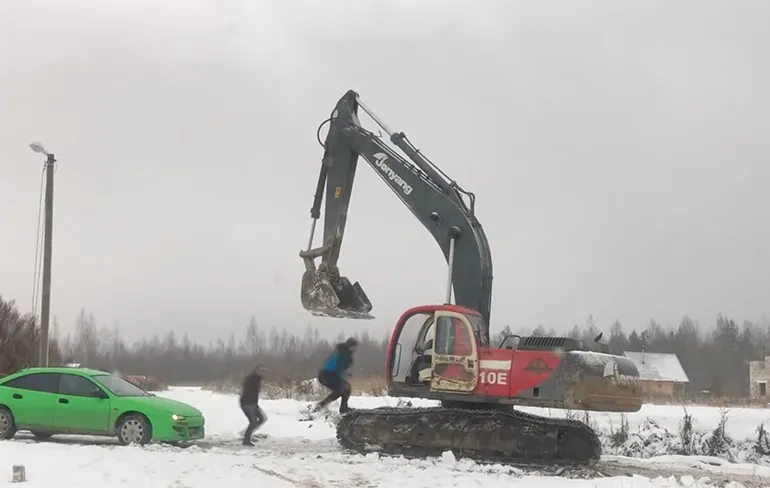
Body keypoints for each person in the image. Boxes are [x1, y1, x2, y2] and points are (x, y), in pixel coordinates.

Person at [315, 337, 358, 414]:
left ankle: (322, 405)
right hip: (328, 375)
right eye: (355, 347)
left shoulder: (340, 351)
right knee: (345, 388)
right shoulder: (344, 354)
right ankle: (342, 408)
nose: (356, 349)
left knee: (342, 389)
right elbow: (339, 367)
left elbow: (336, 365)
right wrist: (346, 374)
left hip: (324, 375)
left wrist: (346, 373)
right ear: (350, 346)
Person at [239, 364, 268, 446]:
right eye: (261, 371)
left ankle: (246, 434)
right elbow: (247, 390)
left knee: (262, 418)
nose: (263, 373)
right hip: (247, 403)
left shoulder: (258, 379)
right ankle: (246, 440)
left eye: (264, 371)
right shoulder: (251, 379)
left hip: (253, 403)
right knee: (253, 422)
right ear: (256, 371)